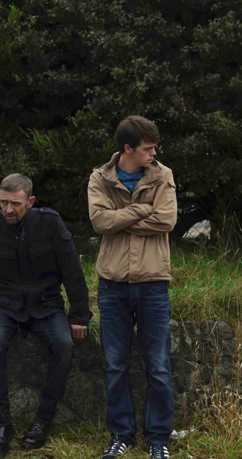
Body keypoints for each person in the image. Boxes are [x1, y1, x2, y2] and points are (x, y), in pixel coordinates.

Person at [0, 174, 92, 458]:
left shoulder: (50, 223)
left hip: (46, 306)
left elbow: (72, 271)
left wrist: (80, 316)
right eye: (3, 202)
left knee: (64, 344)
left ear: (30, 201)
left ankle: (42, 421)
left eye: (15, 204)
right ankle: (1, 426)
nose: (8, 209)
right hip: (4, 306)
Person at [88, 116, 177, 459]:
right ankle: (120, 436)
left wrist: (121, 217)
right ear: (128, 148)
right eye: (148, 148)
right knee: (116, 365)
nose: (154, 153)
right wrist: (142, 210)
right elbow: (100, 221)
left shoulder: (163, 175)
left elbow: (166, 219)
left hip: (153, 284)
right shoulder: (100, 177)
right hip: (112, 285)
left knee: (158, 366)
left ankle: (158, 439)